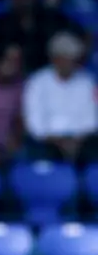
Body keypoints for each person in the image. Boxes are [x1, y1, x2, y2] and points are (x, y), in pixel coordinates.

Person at [22, 32, 98, 163]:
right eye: (65, 58)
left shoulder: (87, 82)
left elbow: (92, 118)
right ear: (55, 59)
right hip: (47, 141)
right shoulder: (37, 82)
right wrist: (58, 141)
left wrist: (76, 140)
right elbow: (34, 122)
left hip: (82, 140)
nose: (69, 63)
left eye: (72, 58)